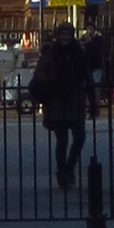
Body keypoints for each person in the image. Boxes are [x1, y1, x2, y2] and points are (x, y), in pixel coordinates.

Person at [30, 23, 89, 192]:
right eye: (62, 34)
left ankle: (69, 167)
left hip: (75, 100)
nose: (65, 37)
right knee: (62, 141)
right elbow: (39, 75)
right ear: (58, 36)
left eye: (68, 34)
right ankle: (62, 172)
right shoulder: (50, 54)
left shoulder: (78, 52)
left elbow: (86, 73)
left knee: (79, 138)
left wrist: (91, 99)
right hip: (57, 102)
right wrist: (55, 79)